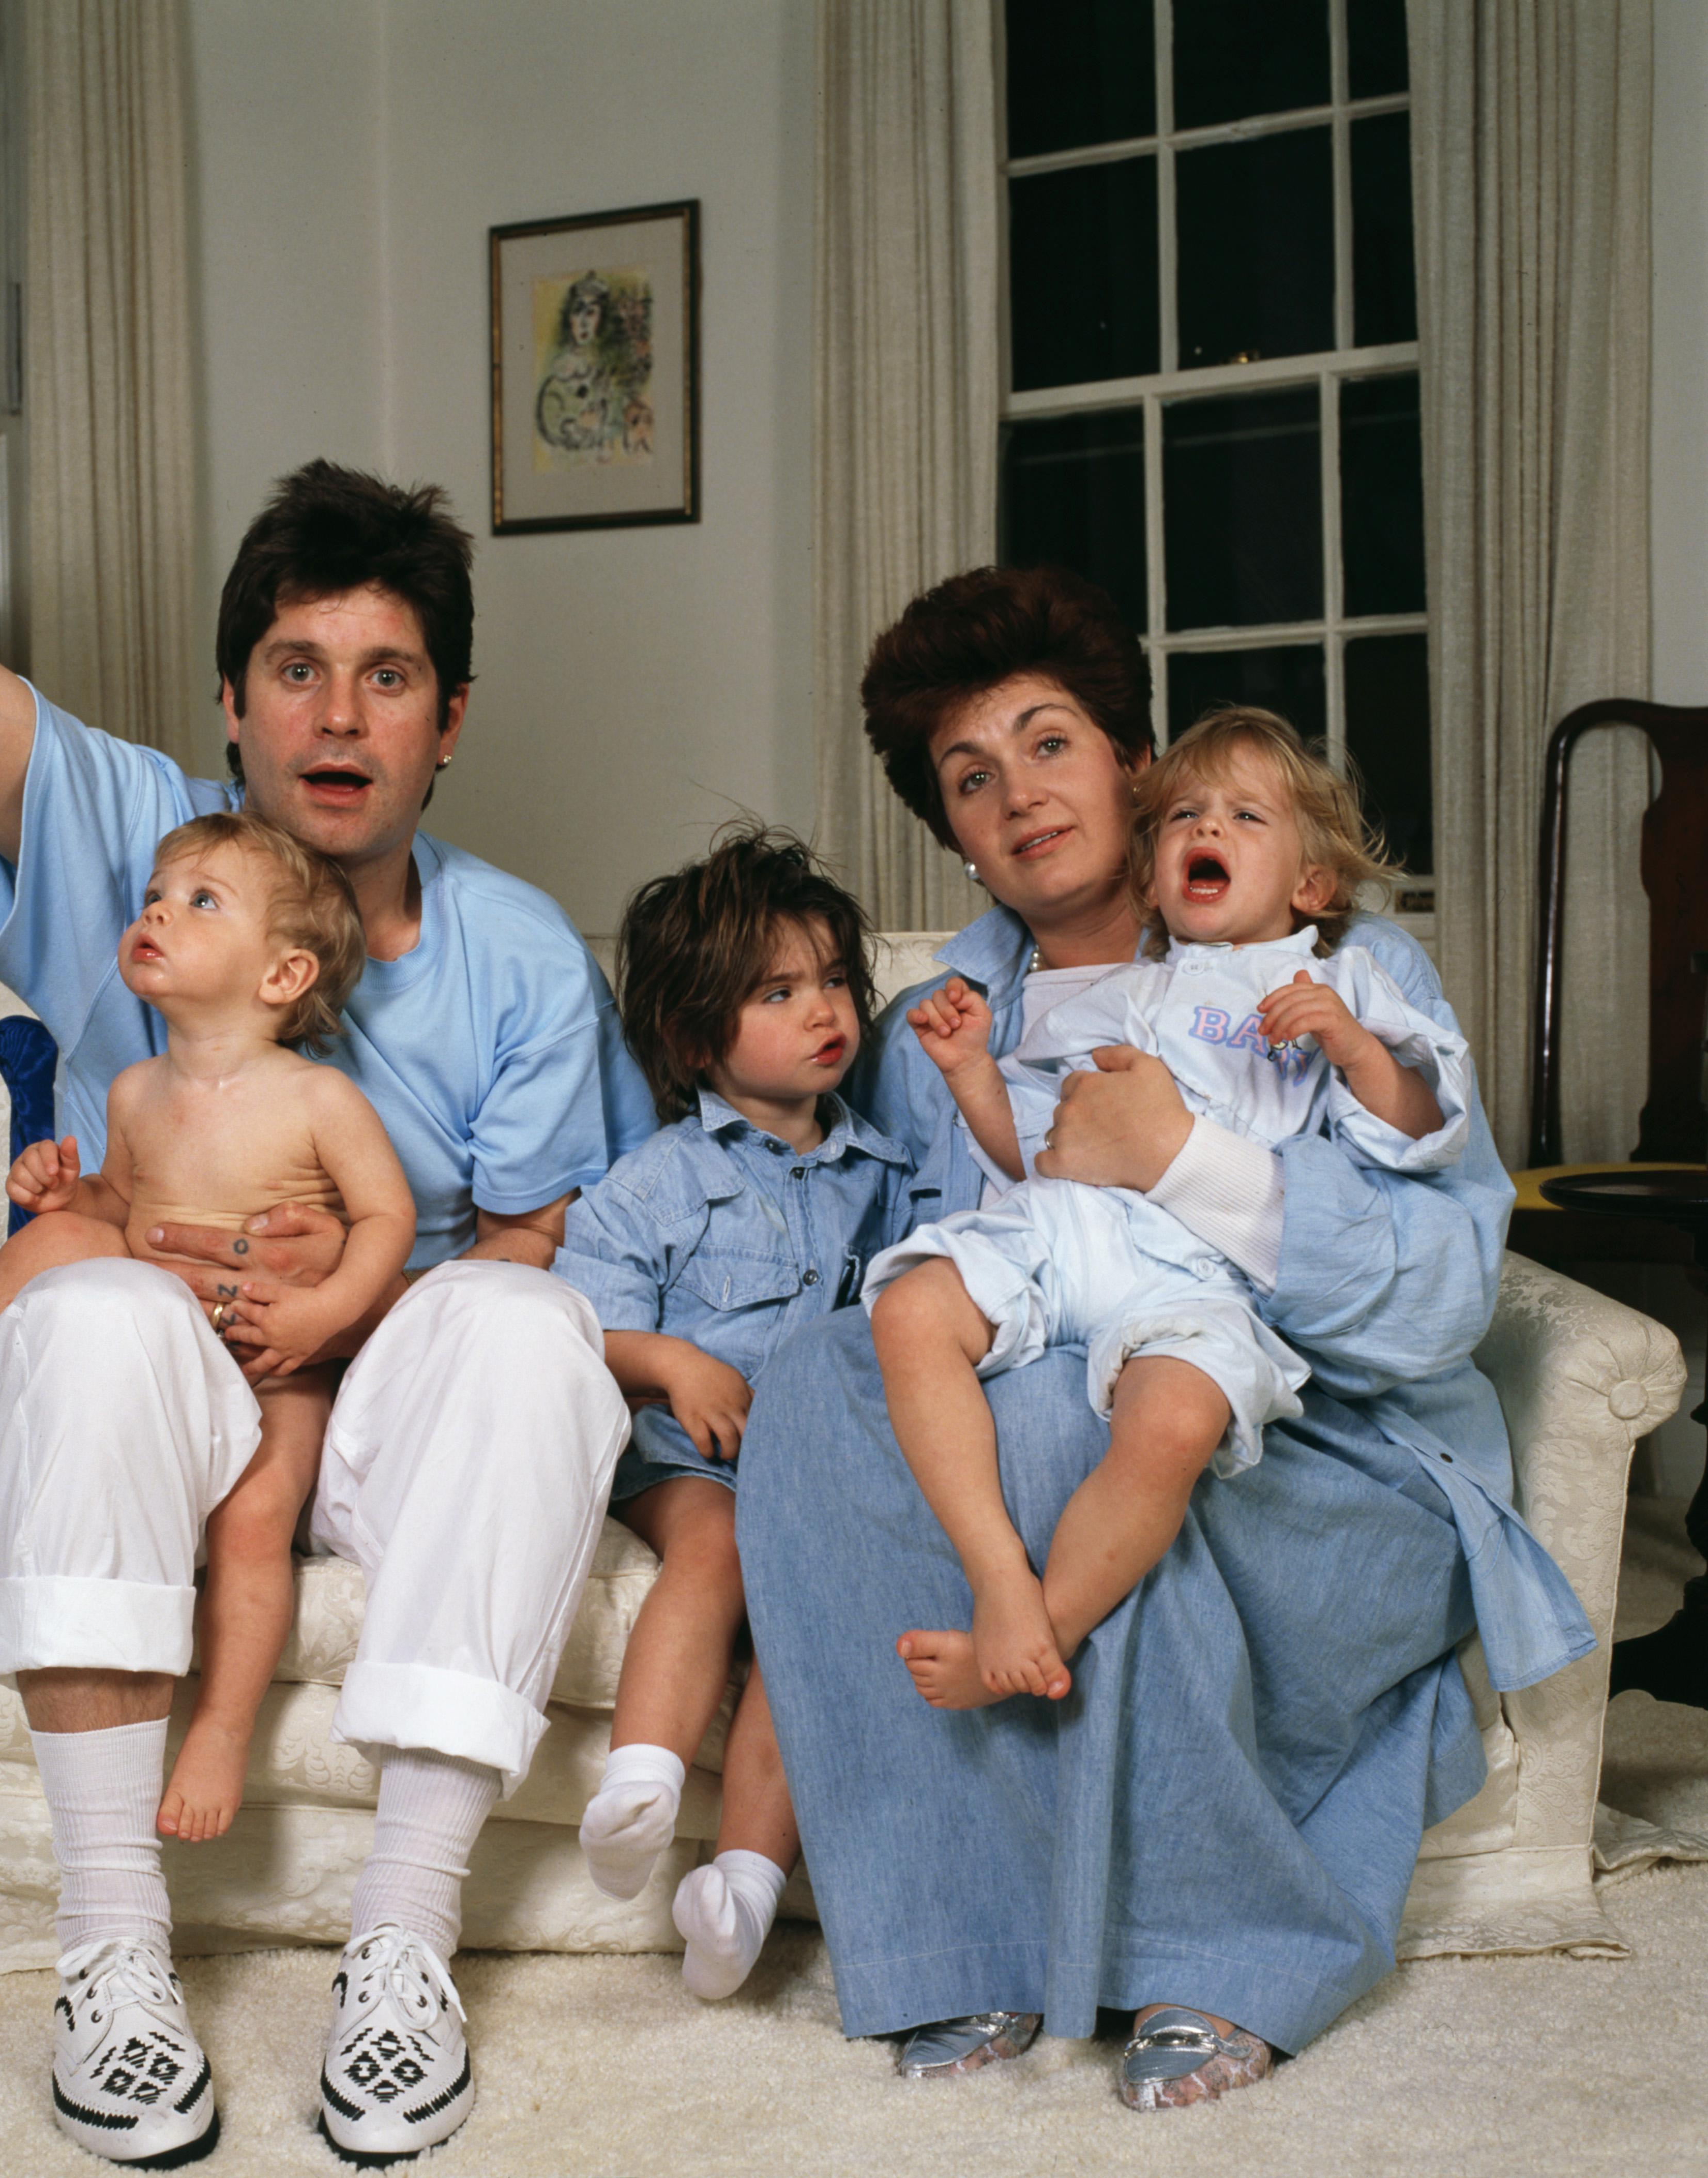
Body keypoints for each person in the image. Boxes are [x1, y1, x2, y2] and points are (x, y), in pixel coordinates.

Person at [0, 208, 656, 2170]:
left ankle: (400, 1946)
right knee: (80, 1300)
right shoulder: (145, 848)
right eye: (298, 670)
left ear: (447, 720)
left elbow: (531, 1237)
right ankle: (109, 1954)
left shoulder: (515, 957)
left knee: (527, 1324)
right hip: (139, 1388)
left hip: (357, 1397)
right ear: (230, 705)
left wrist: (344, 1295)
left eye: (389, 676)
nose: (339, 713)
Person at [733, 565, 1594, 2112]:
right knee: (813, 1378)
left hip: (1325, 1443)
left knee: (1080, 1416)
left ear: (1136, 762)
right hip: (1076, 1370)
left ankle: (1218, 1941)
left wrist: (1185, 1159)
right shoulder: (951, 1016)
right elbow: (893, 1240)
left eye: (1049, 742)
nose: (1018, 794)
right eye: (969, 777)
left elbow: (1441, 1296)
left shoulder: (1332, 973)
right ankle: (952, 1937)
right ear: (952, 833)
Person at [0, 810, 416, 1846]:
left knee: (254, 1524)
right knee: (51, 1249)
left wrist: (324, 1310)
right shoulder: (138, 1092)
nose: (157, 914)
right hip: (157, 1362)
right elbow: (116, 1217)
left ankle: (222, 1730)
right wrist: (63, 1191)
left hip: (280, 1368)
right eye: (154, 898)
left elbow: (386, 1219)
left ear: (281, 975)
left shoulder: (319, 1098)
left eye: (199, 903)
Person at [865, 709, 1471, 1712]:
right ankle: (997, 1577)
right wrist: (973, 1073)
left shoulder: (1350, 980)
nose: (1209, 830)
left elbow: (1423, 1129)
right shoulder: (1135, 993)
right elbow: (1040, 1151)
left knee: (1176, 1422)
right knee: (909, 1310)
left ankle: (1040, 1632)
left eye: (1245, 816)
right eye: (1186, 814)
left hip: (1206, 1272)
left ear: (1311, 885)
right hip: (1091, 1230)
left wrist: (1357, 1049)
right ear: (1153, 878)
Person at [551, 827, 920, 1998]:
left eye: (832, 983)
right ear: (694, 1037)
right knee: (715, 1556)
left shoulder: (888, 1176)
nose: (824, 1011)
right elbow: (577, 1332)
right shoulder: (655, 1182)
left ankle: (745, 1885)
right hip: (688, 1461)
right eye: (779, 991)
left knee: (811, 1629)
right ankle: (641, 1779)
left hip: (817, 1475)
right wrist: (672, 1359)